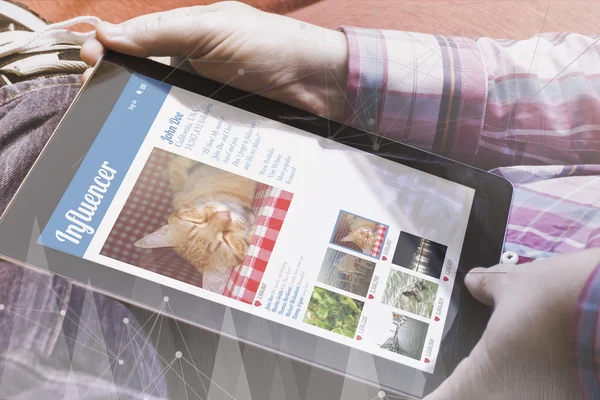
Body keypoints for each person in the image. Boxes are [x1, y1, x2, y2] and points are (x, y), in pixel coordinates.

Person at [0, 1, 598, 399]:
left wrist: (573, 345)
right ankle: (38, 104)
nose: (214, 221)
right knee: (59, 138)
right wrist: (338, 75)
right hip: (452, 210)